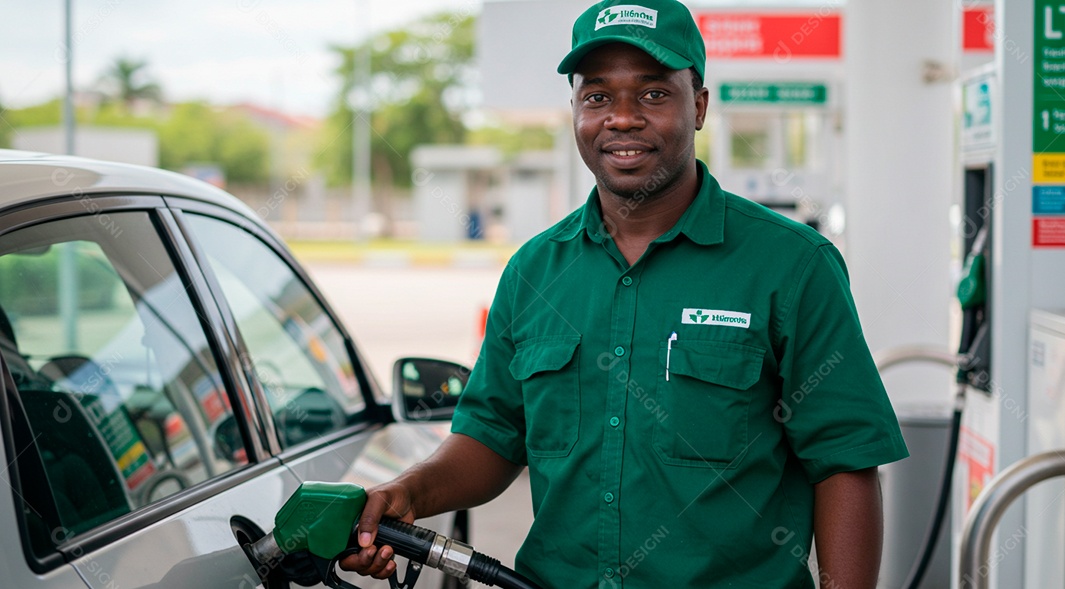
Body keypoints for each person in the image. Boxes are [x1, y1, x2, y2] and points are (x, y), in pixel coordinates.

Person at [342, 0, 908, 586]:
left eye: (654, 94)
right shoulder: (534, 270)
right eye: (597, 97)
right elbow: (490, 437)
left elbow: (844, 463)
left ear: (701, 107)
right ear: (575, 112)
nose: (622, 118)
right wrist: (406, 492)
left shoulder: (792, 265)